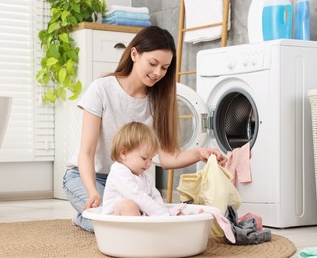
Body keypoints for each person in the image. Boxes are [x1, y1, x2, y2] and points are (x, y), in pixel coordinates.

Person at [62, 25, 227, 232]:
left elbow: (167, 159)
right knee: (120, 222)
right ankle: (84, 218)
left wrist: (200, 153)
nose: (158, 72)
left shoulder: (157, 102)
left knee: (137, 217)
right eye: (153, 63)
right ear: (134, 54)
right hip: (85, 176)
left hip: (130, 179)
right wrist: (92, 191)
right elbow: (86, 154)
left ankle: (91, 217)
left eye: (164, 68)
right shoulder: (102, 89)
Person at [101, 121, 169, 216]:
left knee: (174, 211)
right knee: (128, 206)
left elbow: (155, 196)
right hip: (115, 223)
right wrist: (162, 215)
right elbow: (137, 196)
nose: (149, 163)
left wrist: (166, 213)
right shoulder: (118, 172)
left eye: (151, 158)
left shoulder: (146, 176)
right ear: (124, 153)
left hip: (139, 216)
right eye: (144, 158)